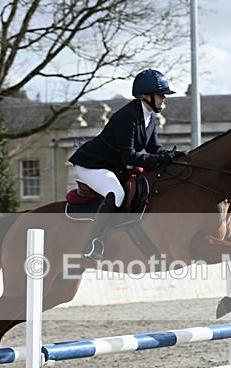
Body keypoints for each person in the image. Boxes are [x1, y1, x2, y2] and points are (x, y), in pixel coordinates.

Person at [68, 68, 181, 261]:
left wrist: (173, 156)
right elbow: (128, 156)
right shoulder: (127, 117)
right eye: (161, 94)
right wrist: (158, 159)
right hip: (93, 164)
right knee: (116, 193)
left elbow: (153, 148)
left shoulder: (150, 117)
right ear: (146, 96)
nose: (164, 98)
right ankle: (93, 243)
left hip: (113, 166)